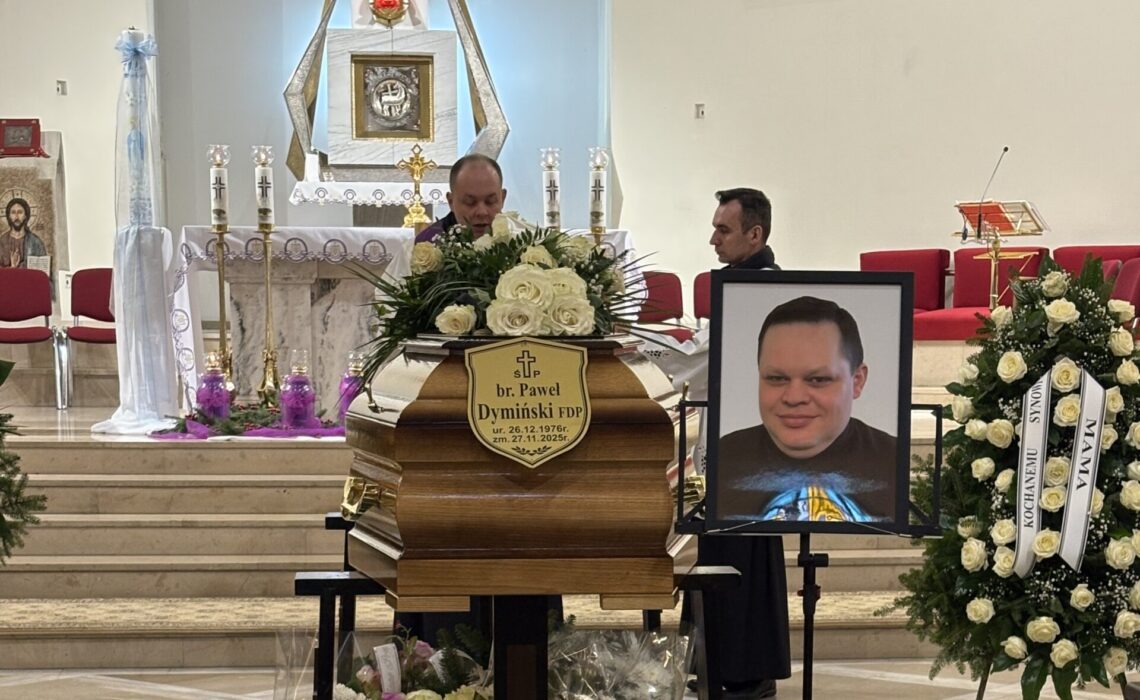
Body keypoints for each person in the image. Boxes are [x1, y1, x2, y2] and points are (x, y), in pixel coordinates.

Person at [696, 187, 789, 699]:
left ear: (755, 234)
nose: (713, 239)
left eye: (723, 229)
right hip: (734, 441)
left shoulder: (763, 288)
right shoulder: (741, 281)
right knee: (728, 549)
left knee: (744, 555)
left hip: (752, 445)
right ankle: (724, 662)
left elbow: (713, 359)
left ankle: (743, 667)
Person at [717, 296, 898, 523]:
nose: (794, 398)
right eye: (776, 378)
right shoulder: (722, 460)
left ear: (857, 381)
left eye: (818, 380)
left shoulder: (895, 463)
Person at [415, 153, 507, 242]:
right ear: (451, 201)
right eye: (470, 202)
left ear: (502, 199)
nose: (481, 212)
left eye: (490, 201)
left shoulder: (515, 237)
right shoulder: (429, 243)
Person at [0, 198, 49, 268]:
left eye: (20, 212)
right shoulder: (2, 242)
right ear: (9, 216)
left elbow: (42, 270)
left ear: (25, 216)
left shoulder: (35, 242)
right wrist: (12, 267)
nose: (16, 216)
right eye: (13, 212)